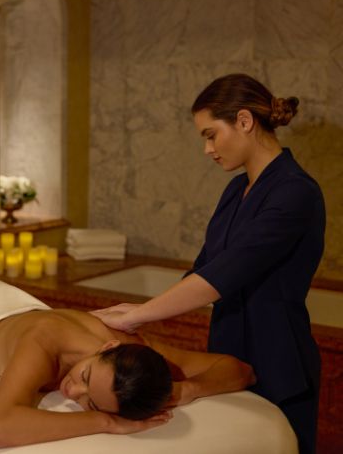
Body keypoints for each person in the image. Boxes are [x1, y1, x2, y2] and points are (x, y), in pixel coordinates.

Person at [91, 73, 325, 454]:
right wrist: (139, 322)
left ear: (245, 121)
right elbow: (203, 269)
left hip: (278, 361)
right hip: (225, 357)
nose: (208, 149)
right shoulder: (236, 190)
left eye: (210, 134)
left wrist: (141, 315)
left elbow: (223, 276)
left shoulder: (296, 192)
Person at [0, 306, 255, 448]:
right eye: (86, 375)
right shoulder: (43, 340)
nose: (72, 392)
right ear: (108, 347)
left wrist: (187, 389)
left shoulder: (135, 358)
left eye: (90, 403)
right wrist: (104, 421)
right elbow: (0, 429)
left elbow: (241, 370)